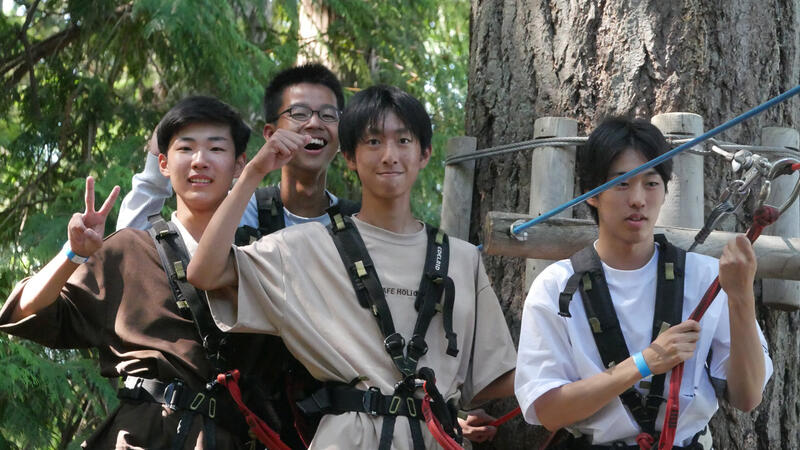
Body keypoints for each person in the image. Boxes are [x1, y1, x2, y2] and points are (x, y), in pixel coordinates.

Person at [187, 85, 517, 449]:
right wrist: (252, 174)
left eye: (403, 141)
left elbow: (495, 375)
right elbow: (204, 273)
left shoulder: (461, 258)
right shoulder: (307, 246)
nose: (389, 155)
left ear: (424, 154)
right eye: (373, 142)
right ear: (349, 157)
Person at [0, 95, 265, 449]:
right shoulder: (130, 248)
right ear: (164, 164)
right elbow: (27, 311)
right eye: (185, 149)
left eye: (216, 149)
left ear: (239, 165)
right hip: (141, 435)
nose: (200, 161)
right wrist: (72, 255)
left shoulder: (260, 256)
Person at [515, 117, 772, 448]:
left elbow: (748, 396)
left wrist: (740, 298)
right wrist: (643, 363)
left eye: (651, 183)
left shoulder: (705, 276)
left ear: (665, 190)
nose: (637, 199)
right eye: (621, 184)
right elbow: (548, 411)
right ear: (592, 193)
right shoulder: (557, 287)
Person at [116, 63, 358, 235]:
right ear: (270, 134)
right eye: (300, 113)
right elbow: (135, 239)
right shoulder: (239, 210)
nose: (314, 123)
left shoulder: (359, 222)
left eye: (328, 115)